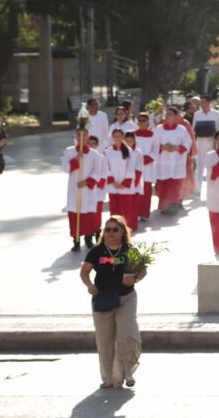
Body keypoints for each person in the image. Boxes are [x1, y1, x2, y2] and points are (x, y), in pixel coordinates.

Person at [80, 215, 145, 389]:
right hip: (103, 299)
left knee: (127, 334)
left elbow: (142, 270)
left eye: (115, 230)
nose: (111, 233)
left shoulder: (130, 250)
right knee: (105, 340)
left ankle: (128, 372)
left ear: (123, 232)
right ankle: (108, 378)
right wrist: (89, 285)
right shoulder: (97, 251)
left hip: (126, 298)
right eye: (107, 229)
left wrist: (135, 279)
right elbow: (84, 272)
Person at [62, 126, 105, 251]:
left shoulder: (94, 154)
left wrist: (86, 182)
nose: (81, 137)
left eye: (84, 135)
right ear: (75, 136)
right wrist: (76, 159)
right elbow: (65, 168)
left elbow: (97, 172)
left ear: (88, 137)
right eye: (79, 135)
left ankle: (88, 238)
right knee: (74, 215)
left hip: (88, 189)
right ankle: (76, 240)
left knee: (88, 215)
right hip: (74, 190)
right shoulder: (69, 151)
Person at [153, 106, 192, 215]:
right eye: (167, 114)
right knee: (163, 185)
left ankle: (173, 207)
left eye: (170, 114)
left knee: (175, 185)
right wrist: (163, 147)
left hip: (177, 161)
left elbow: (188, 142)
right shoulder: (158, 129)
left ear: (176, 117)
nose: (168, 116)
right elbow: (153, 143)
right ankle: (164, 207)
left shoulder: (181, 129)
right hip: (163, 162)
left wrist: (177, 148)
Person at [192, 96, 219, 194]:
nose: (202, 105)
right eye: (201, 103)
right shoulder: (197, 114)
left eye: (204, 102)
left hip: (211, 142)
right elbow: (193, 129)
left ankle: (212, 188)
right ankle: (198, 188)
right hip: (200, 142)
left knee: (211, 165)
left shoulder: (216, 114)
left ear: (209, 103)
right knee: (199, 166)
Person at [133, 113, 158, 221]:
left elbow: (156, 150)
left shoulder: (153, 135)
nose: (142, 122)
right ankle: (135, 213)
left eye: (144, 120)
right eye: (140, 120)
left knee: (146, 190)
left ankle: (144, 213)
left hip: (147, 166)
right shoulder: (133, 134)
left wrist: (146, 159)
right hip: (135, 165)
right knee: (136, 190)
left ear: (148, 122)